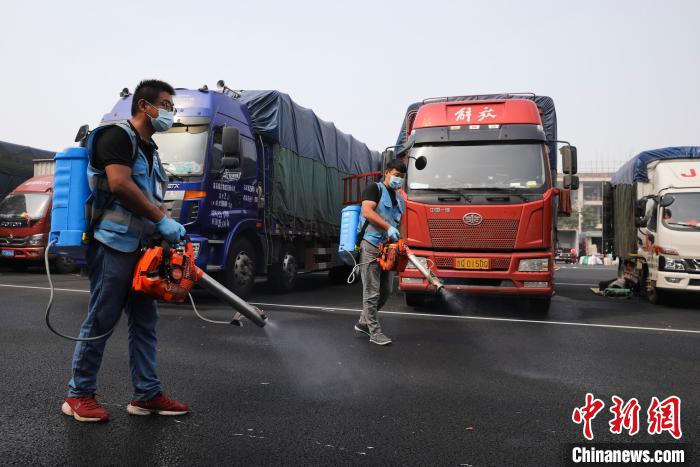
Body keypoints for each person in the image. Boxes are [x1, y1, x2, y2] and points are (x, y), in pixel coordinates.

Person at [61, 80, 189, 423]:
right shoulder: (116, 136)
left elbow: (149, 196)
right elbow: (119, 184)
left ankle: (146, 395)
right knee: (102, 319)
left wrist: (164, 231)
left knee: (145, 323)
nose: (169, 113)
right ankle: (78, 394)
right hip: (113, 244)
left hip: (143, 249)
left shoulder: (151, 150)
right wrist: (161, 219)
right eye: (165, 105)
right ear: (144, 105)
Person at [353, 159, 406, 346]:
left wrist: (399, 242)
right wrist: (387, 227)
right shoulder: (374, 189)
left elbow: (398, 224)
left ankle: (363, 322)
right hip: (371, 246)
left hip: (388, 250)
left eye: (401, 177)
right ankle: (375, 332)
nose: (398, 179)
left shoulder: (400, 199)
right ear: (387, 173)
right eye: (396, 175)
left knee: (385, 291)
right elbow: (367, 212)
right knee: (372, 292)